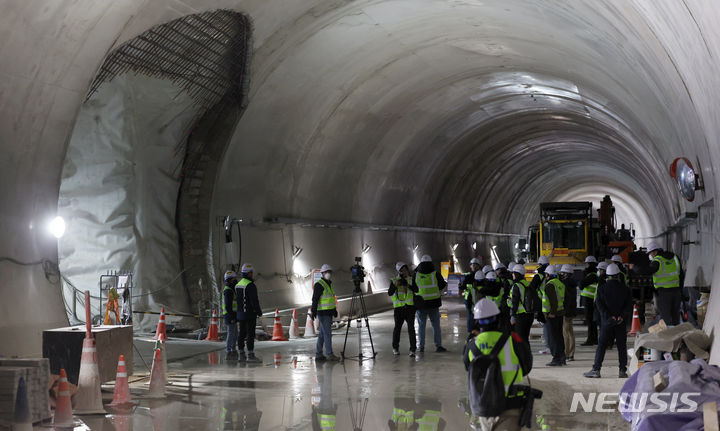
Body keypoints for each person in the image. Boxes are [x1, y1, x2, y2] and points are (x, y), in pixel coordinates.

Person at [463, 298, 533, 431]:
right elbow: (526, 367)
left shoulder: (472, 345)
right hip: (510, 403)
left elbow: (469, 368)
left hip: (485, 405)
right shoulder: (512, 340)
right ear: (497, 318)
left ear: (477, 321)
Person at [583, 263, 632, 378]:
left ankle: (596, 369)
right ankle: (622, 370)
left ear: (607, 275)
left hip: (607, 322)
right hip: (620, 322)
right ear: (618, 275)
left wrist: (608, 317)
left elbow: (599, 305)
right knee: (621, 346)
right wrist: (621, 316)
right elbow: (629, 305)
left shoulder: (602, 288)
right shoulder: (625, 289)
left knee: (602, 346)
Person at [413, 254, 448, 353]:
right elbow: (442, 285)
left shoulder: (416, 274)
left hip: (421, 305)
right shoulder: (435, 273)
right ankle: (438, 346)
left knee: (421, 326)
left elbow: (413, 288)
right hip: (434, 304)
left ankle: (421, 347)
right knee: (436, 325)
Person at [647, 242, 684, 326]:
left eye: (650, 253)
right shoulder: (675, 257)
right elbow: (681, 275)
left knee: (665, 317)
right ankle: (676, 335)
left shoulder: (657, 260)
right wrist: (680, 290)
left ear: (655, 252)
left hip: (664, 293)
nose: (650, 255)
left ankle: (667, 336)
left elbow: (648, 271)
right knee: (675, 316)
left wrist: (636, 267)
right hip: (676, 291)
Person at [389, 262, 418, 356]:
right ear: (399, 272)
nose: (404, 272)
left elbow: (416, 290)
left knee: (411, 329)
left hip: (410, 308)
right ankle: (395, 348)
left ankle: (412, 350)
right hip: (398, 309)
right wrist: (395, 286)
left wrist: (408, 285)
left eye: (405, 269)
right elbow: (390, 293)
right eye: (402, 270)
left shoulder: (411, 279)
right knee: (397, 329)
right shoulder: (394, 280)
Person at [312, 264, 340, 361]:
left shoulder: (328, 284)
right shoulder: (319, 285)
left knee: (322, 334)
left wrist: (334, 311)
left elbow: (330, 300)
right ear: (322, 273)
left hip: (328, 313)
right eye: (326, 272)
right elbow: (315, 299)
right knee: (327, 334)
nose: (328, 273)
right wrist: (313, 311)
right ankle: (329, 354)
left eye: (329, 272)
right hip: (323, 314)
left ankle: (318, 354)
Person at [236, 263, 263, 363]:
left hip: (240, 314)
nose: (252, 274)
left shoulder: (238, 284)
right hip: (249, 314)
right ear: (249, 273)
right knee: (250, 334)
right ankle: (251, 355)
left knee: (241, 334)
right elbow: (254, 300)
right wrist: (259, 311)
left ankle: (241, 355)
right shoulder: (250, 285)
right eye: (251, 272)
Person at [541, 265, 565, 366]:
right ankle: (562, 357)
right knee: (559, 336)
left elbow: (553, 301)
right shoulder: (560, 283)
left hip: (553, 315)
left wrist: (552, 313)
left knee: (553, 337)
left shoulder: (550, 285)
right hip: (560, 313)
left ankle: (556, 359)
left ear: (548, 275)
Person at [508, 264, 533, 347]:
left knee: (520, 339)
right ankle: (527, 355)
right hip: (529, 314)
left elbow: (514, 302)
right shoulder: (527, 284)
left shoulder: (516, 286)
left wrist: (512, 315)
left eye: (513, 273)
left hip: (520, 316)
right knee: (525, 338)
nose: (512, 275)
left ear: (517, 274)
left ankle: (523, 357)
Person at [579, 256, 599, 346]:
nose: (585, 266)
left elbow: (581, 285)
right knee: (592, 322)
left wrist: (584, 274)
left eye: (587, 264)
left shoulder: (592, 276)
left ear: (590, 265)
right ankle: (594, 339)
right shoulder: (591, 275)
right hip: (590, 301)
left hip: (590, 301)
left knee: (590, 322)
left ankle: (591, 340)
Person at [559, 265, 577, 361]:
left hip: (566, 311)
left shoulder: (564, 284)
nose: (561, 274)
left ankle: (566, 353)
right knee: (570, 332)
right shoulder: (573, 283)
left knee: (565, 333)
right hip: (572, 310)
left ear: (566, 273)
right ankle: (571, 353)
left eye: (562, 273)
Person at [460, 258, 483, 332]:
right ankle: (471, 332)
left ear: (479, 266)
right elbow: (462, 287)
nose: (474, 267)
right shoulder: (467, 276)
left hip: (479, 299)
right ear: (470, 266)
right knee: (470, 317)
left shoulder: (482, 275)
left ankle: (479, 330)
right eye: (472, 265)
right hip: (469, 300)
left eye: (476, 265)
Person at [222, 270, 239, 360]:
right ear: (230, 279)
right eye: (234, 278)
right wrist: (232, 316)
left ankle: (233, 349)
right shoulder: (228, 290)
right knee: (231, 333)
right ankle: (229, 350)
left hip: (232, 315)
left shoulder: (231, 289)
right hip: (229, 315)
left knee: (235, 333)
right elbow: (228, 306)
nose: (236, 280)